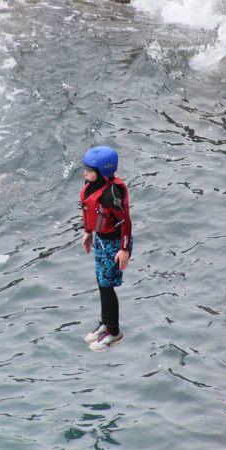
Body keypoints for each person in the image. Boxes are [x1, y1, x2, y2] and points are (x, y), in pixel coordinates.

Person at [78, 145, 133, 352]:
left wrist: (124, 249)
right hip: (101, 239)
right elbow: (89, 209)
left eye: (89, 170)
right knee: (101, 282)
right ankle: (105, 323)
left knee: (107, 285)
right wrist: (88, 232)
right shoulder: (92, 184)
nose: (84, 173)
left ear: (102, 173)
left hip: (115, 244)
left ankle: (114, 331)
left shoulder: (111, 194)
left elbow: (126, 222)